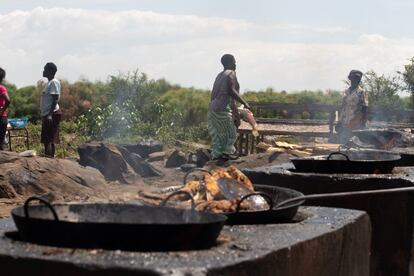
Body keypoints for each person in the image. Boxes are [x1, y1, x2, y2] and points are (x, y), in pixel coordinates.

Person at [208, 54, 251, 165]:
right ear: (228, 63)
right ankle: (227, 154)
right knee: (231, 132)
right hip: (221, 108)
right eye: (234, 62)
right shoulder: (231, 73)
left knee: (219, 134)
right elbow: (231, 91)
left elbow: (213, 94)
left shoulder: (219, 75)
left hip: (213, 108)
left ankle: (218, 155)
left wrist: (234, 112)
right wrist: (244, 102)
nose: (235, 64)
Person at [337, 70, 368, 144]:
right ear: (350, 79)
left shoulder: (361, 92)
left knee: (354, 145)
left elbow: (365, 108)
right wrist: (339, 121)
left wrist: (363, 123)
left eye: (357, 79)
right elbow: (342, 108)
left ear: (359, 80)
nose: (355, 80)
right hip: (344, 123)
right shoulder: (345, 92)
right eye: (353, 78)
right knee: (343, 144)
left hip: (355, 124)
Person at [40, 62, 62, 157]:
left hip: (52, 114)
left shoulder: (54, 82)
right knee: (49, 139)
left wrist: (49, 115)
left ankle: (48, 161)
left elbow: (55, 99)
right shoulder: (49, 83)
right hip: (48, 114)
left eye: (45, 69)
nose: (43, 71)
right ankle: (50, 160)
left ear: (50, 71)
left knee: (48, 140)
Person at [0, 68, 10, 150]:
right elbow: (8, 100)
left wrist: (2, 109)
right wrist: (3, 109)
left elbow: (8, 100)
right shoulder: (2, 88)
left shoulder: (1, 88)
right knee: (0, 143)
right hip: (2, 117)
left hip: (1, 118)